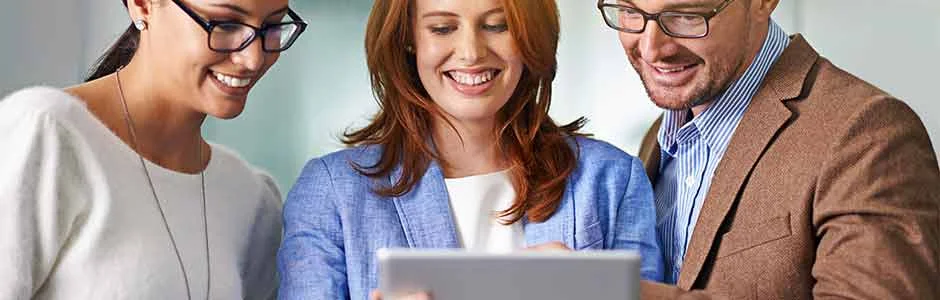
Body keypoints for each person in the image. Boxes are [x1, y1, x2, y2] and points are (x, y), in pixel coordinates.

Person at [277, 0, 664, 299]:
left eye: (497, 25)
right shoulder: (331, 191)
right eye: (443, 28)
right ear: (409, 38)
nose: (471, 52)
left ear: (531, 36)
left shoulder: (612, 179)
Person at [595, 0, 940, 298]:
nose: (652, 49)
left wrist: (616, 292)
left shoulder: (869, 134)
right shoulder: (659, 137)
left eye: (687, 15)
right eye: (629, 11)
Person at [0, 0, 306, 298]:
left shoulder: (250, 199)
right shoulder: (46, 133)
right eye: (225, 24)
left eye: (272, 26)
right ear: (143, 5)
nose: (253, 59)